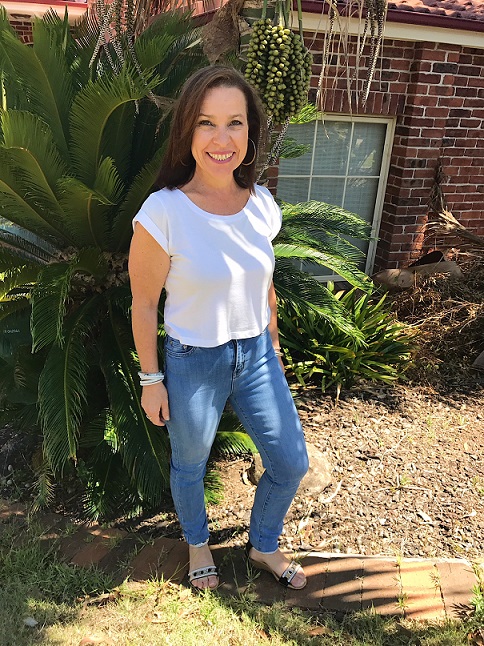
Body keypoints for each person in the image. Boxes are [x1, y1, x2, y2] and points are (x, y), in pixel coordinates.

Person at [128, 66, 309, 591]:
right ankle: (198, 543)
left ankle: (263, 545)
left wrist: (271, 340)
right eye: (207, 123)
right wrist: (150, 379)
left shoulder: (262, 205)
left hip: (255, 356)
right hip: (192, 359)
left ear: (250, 132)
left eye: (235, 123)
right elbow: (143, 305)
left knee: (290, 461)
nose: (221, 138)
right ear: (187, 131)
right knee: (190, 463)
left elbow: (266, 279)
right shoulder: (162, 213)